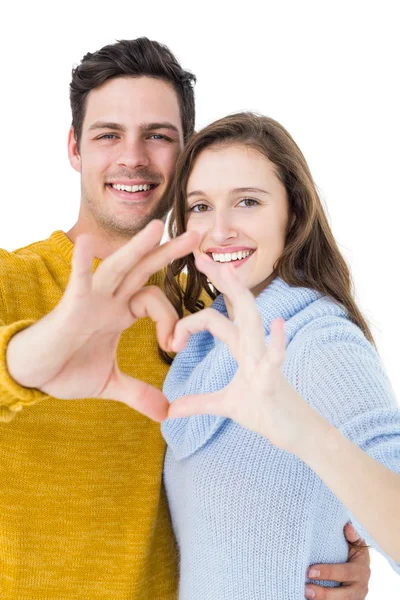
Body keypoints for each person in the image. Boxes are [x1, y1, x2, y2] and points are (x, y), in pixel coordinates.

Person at [0, 37, 369, 599]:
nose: (133, 158)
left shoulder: (211, 314)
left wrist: (340, 549)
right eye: (107, 135)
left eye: (159, 136)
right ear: (74, 148)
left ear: (187, 154)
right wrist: (40, 350)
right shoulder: (11, 280)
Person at [161, 112, 400, 600]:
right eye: (201, 206)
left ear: (292, 213)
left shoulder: (318, 341)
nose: (220, 229)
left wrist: (308, 435)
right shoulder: (209, 342)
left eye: (247, 201)